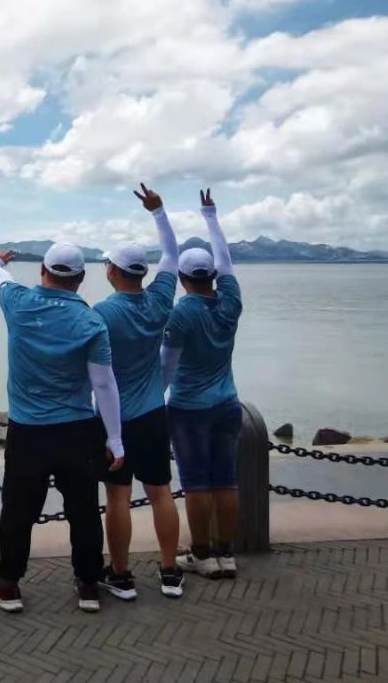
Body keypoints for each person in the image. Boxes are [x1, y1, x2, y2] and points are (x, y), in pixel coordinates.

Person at [0, 243, 124, 615]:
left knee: (18, 510)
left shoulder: (19, 303)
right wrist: (115, 438)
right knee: (83, 509)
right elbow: (103, 383)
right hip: (78, 430)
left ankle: (8, 583)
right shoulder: (91, 322)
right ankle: (88, 584)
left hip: (28, 432)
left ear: (42, 270)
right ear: (81, 278)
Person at [93, 183, 184, 601]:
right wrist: (159, 212)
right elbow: (172, 256)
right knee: (161, 491)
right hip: (152, 413)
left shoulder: (102, 314)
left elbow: (94, 372)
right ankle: (170, 571)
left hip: (114, 419)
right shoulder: (161, 301)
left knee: (118, 497)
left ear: (113, 271)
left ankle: (121, 574)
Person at [161, 189, 244, 580]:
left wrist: (151, 397)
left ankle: (201, 554)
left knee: (195, 483)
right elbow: (225, 259)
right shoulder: (231, 304)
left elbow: (167, 366)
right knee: (226, 480)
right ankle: (227, 553)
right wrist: (210, 216)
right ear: (212, 276)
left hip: (189, 409)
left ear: (180, 279)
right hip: (228, 403)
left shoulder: (180, 315)